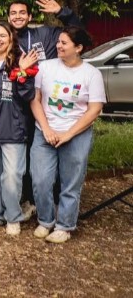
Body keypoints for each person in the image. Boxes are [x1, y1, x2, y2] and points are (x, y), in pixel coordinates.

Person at [8, 0, 83, 216]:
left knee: (56, 152)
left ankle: (59, 203)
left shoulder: (45, 34)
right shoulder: (4, 39)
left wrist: (62, 12)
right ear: (9, 17)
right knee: (30, 156)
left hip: (50, 105)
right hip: (20, 106)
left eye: (22, 12)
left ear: (30, 16)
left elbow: (77, 33)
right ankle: (32, 201)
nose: (18, 16)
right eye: (14, 13)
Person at [29, 26, 105, 243]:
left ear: (78, 48)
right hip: (45, 130)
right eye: (59, 41)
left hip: (76, 134)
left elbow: (94, 109)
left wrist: (68, 134)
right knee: (41, 180)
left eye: (64, 43)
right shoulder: (45, 67)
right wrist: (46, 128)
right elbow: (35, 99)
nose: (58, 46)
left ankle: (64, 225)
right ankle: (46, 220)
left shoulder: (92, 74)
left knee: (71, 183)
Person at [0, 23, 38, 236]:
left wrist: (22, 71)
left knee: (12, 174)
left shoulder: (17, 62)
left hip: (13, 125)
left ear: (10, 38)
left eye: (2, 35)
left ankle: (13, 216)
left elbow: (28, 95)